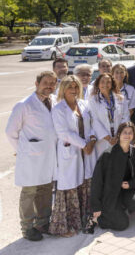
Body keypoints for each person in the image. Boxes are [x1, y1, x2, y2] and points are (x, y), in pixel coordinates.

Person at [6, 71, 58, 241]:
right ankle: (27, 227)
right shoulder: (24, 105)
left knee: (45, 190)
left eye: (52, 83)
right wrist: (23, 150)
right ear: (36, 84)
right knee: (29, 192)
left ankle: (43, 222)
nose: (49, 86)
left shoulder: (54, 100)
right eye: (45, 82)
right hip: (30, 157)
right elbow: (10, 132)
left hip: (48, 156)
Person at [49, 76, 96, 237]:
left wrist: (91, 140)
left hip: (85, 152)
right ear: (63, 89)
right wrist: (84, 145)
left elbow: (90, 125)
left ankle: (82, 222)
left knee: (83, 184)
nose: (74, 91)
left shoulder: (83, 104)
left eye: (76, 87)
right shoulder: (58, 109)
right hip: (71, 152)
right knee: (68, 187)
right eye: (70, 87)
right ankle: (63, 227)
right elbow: (63, 132)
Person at [90, 122, 135, 231]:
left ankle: (121, 208)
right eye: (124, 132)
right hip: (110, 196)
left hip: (126, 190)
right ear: (119, 134)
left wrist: (131, 184)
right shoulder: (107, 155)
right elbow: (97, 182)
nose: (127, 135)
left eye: (130, 133)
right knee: (122, 224)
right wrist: (96, 206)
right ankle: (98, 218)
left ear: (134, 135)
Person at [88, 73, 130, 157]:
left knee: (118, 162)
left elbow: (125, 117)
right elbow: (94, 121)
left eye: (108, 82)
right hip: (103, 140)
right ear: (98, 84)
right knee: (104, 163)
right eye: (102, 82)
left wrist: (118, 136)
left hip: (119, 137)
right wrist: (109, 138)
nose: (105, 84)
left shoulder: (120, 98)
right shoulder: (93, 100)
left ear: (112, 84)